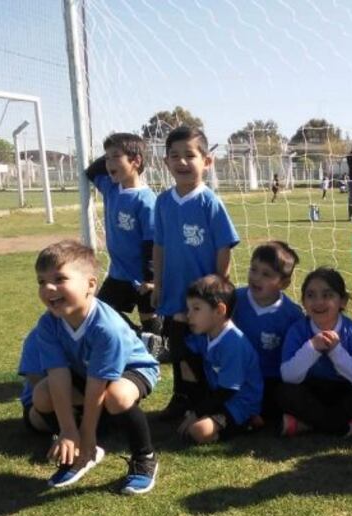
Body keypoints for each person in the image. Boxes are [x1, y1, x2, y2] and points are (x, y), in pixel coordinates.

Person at [31, 240, 160, 494]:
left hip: (132, 371)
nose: (48, 288)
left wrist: (87, 433)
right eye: (41, 281)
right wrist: (69, 431)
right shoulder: (48, 324)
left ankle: (144, 457)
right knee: (41, 395)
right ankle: (79, 451)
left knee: (116, 397)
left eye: (59, 278)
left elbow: (97, 384)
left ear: (91, 285)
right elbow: (58, 376)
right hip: (87, 373)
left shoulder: (106, 327)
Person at [152, 126, 240, 422]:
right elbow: (159, 246)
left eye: (189, 155)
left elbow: (224, 246)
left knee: (200, 349)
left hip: (202, 297)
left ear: (207, 161)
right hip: (174, 291)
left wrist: (218, 286)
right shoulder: (163, 202)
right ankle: (181, 397)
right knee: (178, 347)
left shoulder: (210, 202)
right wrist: (158, 284)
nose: (182, 162)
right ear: (166, 162)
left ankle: (204, 400)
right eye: (174, 155)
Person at [279, 267, 352, 440]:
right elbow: (288, 376)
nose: (318, 302)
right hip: (311, 391)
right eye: (311, 295)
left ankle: (307, 424)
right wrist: (312, 347)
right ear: (303, 301)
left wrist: (336, 351)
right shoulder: (297, 330)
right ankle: (348, 428)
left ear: (342, 301)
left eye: (327, 295)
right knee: (283, 392)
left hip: (345, 391)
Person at [85, 133, 161, 341]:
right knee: (99, 311)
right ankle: (139, 337)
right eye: (107, 157)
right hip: (119, 273)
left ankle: (159, 344)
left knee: (150, 319)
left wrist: (151, 278)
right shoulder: (111, 188)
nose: (109, 163)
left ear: (136, 161)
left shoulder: (146, 201)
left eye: (115, 157)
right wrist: (113, 153)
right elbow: (91, 171)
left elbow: (152, 242)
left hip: (143, 276)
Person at [176, 275, 263, 444]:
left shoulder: (233, 344)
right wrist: (177, 325)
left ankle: (250, 422)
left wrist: (197, 412)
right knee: (186, 366)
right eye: (188, 309)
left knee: (198, 431)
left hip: (240, 403)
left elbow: (228, 390)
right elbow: (182, 354)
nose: (189, 315)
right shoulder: (205, 334)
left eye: (196, 309)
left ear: (219, 310)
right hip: (219, 397)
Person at [231, 241, 305, 427]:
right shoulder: (234, 300)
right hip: (238, 375)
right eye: (253, 269)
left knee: (284, 397)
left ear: (284, 283)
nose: (256, 278)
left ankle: (255, 415)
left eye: (266, 274)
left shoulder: (292, 315)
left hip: (270, 378)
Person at [17, 327, 52, 434]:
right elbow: (36, 382)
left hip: (80, 397)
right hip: (41, 402)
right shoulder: (37, 336)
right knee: (39, 417)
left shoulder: (92, 332)